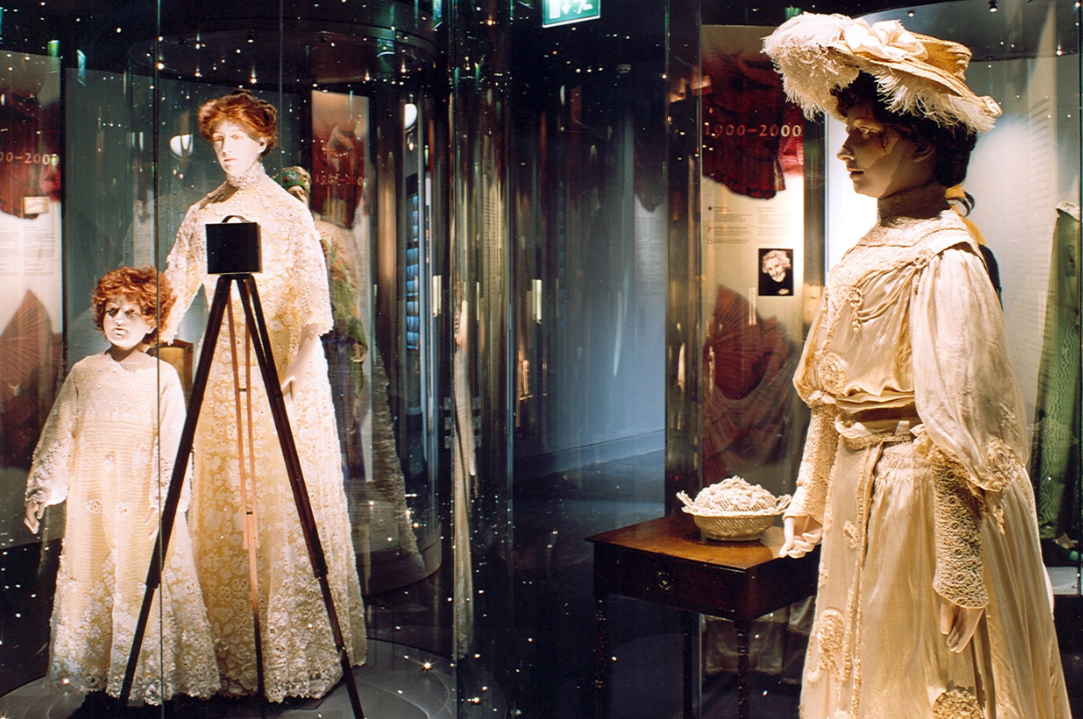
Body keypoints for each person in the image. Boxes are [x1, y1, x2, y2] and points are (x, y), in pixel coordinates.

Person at [764, 14, 1071, 718]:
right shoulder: (869, 248)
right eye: (848, 133)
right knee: (859, 659)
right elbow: (833, 399)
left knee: (922, 669)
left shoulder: (944, 257)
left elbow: (964, 421)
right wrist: (811, 494)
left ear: (925, 145)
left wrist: (961, 565)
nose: (847, 152)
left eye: (867, 134)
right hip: (860, 486)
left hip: (919, 497)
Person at [161, 90, 365, 702]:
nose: (225, 149)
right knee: (227, 493)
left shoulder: (287, 212)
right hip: (226, 374)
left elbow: (313, 305)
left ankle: (296, 646)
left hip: (283, 371)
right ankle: (229, 647)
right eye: (217, 139)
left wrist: (300, 367)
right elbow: (176, 282)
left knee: (286, 495)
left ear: (262, 141)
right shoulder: (202, 212)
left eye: (236, 138)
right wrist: (152, 332)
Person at [23, 266, 218, 709]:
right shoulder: (85, 373)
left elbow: (174, 445)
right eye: (113, 311)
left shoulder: (162, 378)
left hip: (143, 509)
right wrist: (42, 490)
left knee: (140, 584)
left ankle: (144, 677)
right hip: (93, 508)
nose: (120, 320)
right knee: (94, 581)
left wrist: (170, 504)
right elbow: (60, 434)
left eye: (133, 312)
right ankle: (98, 678)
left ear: (153, 321)